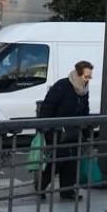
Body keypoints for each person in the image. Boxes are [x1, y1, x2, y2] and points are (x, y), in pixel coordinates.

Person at [38, 60, 93, 200]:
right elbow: (48, 106)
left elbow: (85, 110)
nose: (89, 79)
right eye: (86, 76)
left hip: (74, 131)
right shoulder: (62, 86)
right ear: (78, 74)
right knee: (57, 161)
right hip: (57, 131)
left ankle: (67, 191)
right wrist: (46, 128)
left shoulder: (84, 89)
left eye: (90, 76)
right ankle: (41, 186)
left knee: (72, 161)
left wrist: (86, 130)